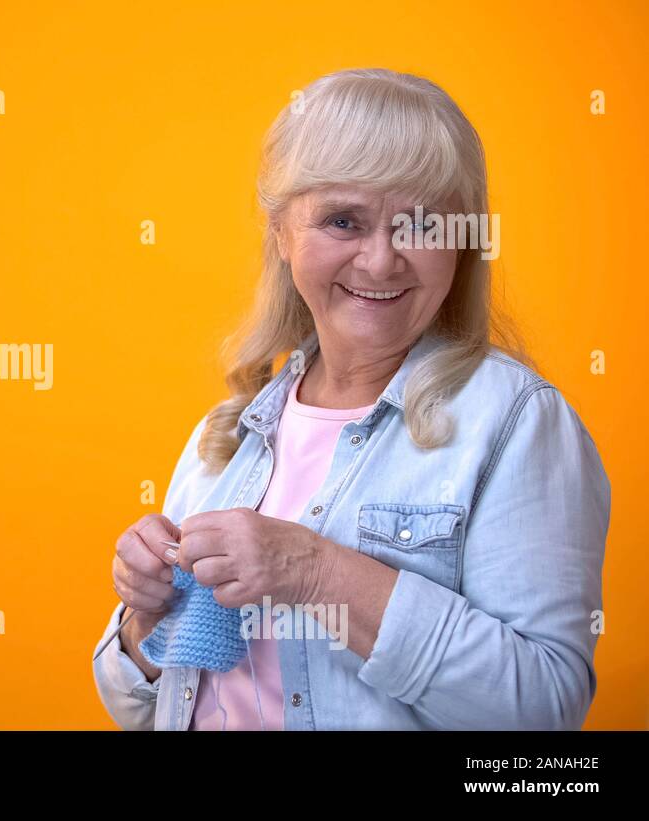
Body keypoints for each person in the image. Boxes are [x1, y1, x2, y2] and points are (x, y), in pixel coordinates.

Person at [92, 68, 611, 730]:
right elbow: (134, 703)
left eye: (420, 224)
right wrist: (148, 615)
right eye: (343, 220)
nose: (381, 260)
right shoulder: (225, 436)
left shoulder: (517, 424)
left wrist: (314, 570)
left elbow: (542, 707)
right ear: (280, 232)